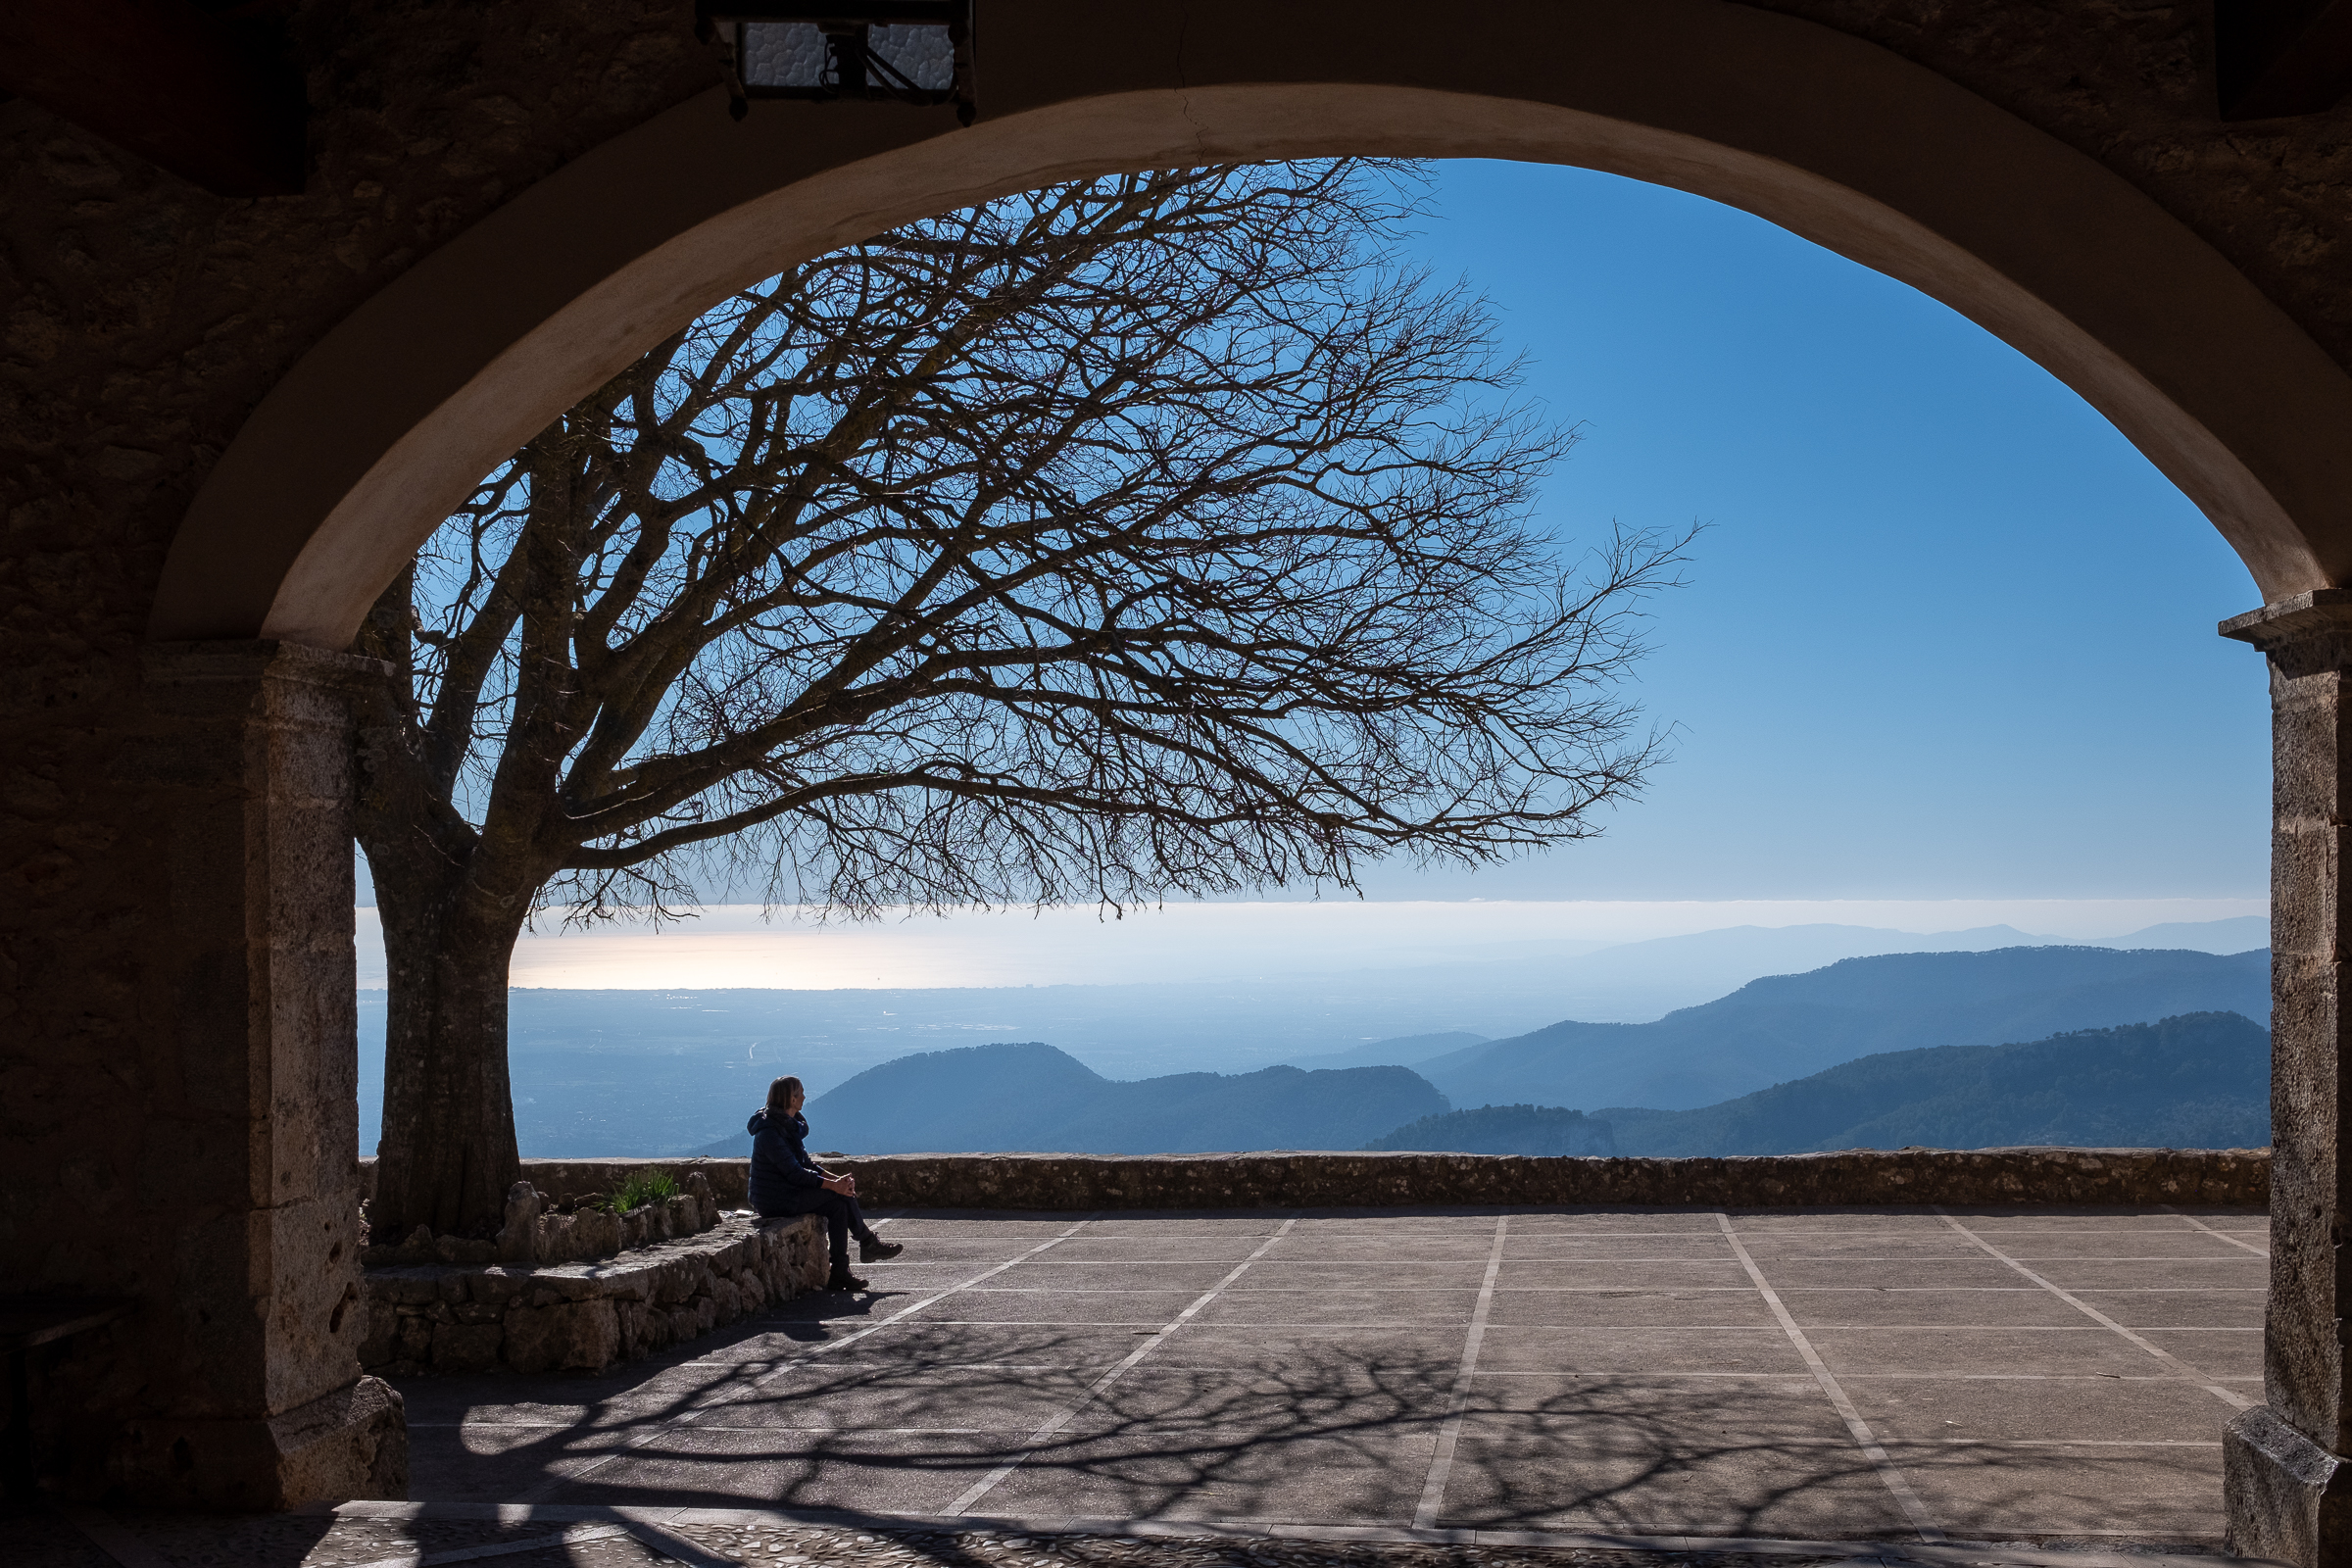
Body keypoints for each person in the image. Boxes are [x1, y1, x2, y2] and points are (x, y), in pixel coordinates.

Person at [747, 1074, 904, 1291]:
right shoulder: (770, 1134)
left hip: (790, 1192)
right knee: (838, 1195)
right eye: (800, 1092)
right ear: (791, 1100)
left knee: (839, 1205)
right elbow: (795, 1174)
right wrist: (834, 1186)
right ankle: (867, 1243)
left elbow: (807, 1164)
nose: (804, 1096)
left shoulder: (787, 1126)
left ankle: (840, 1270)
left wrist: (836, 1180)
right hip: (774, 1199)